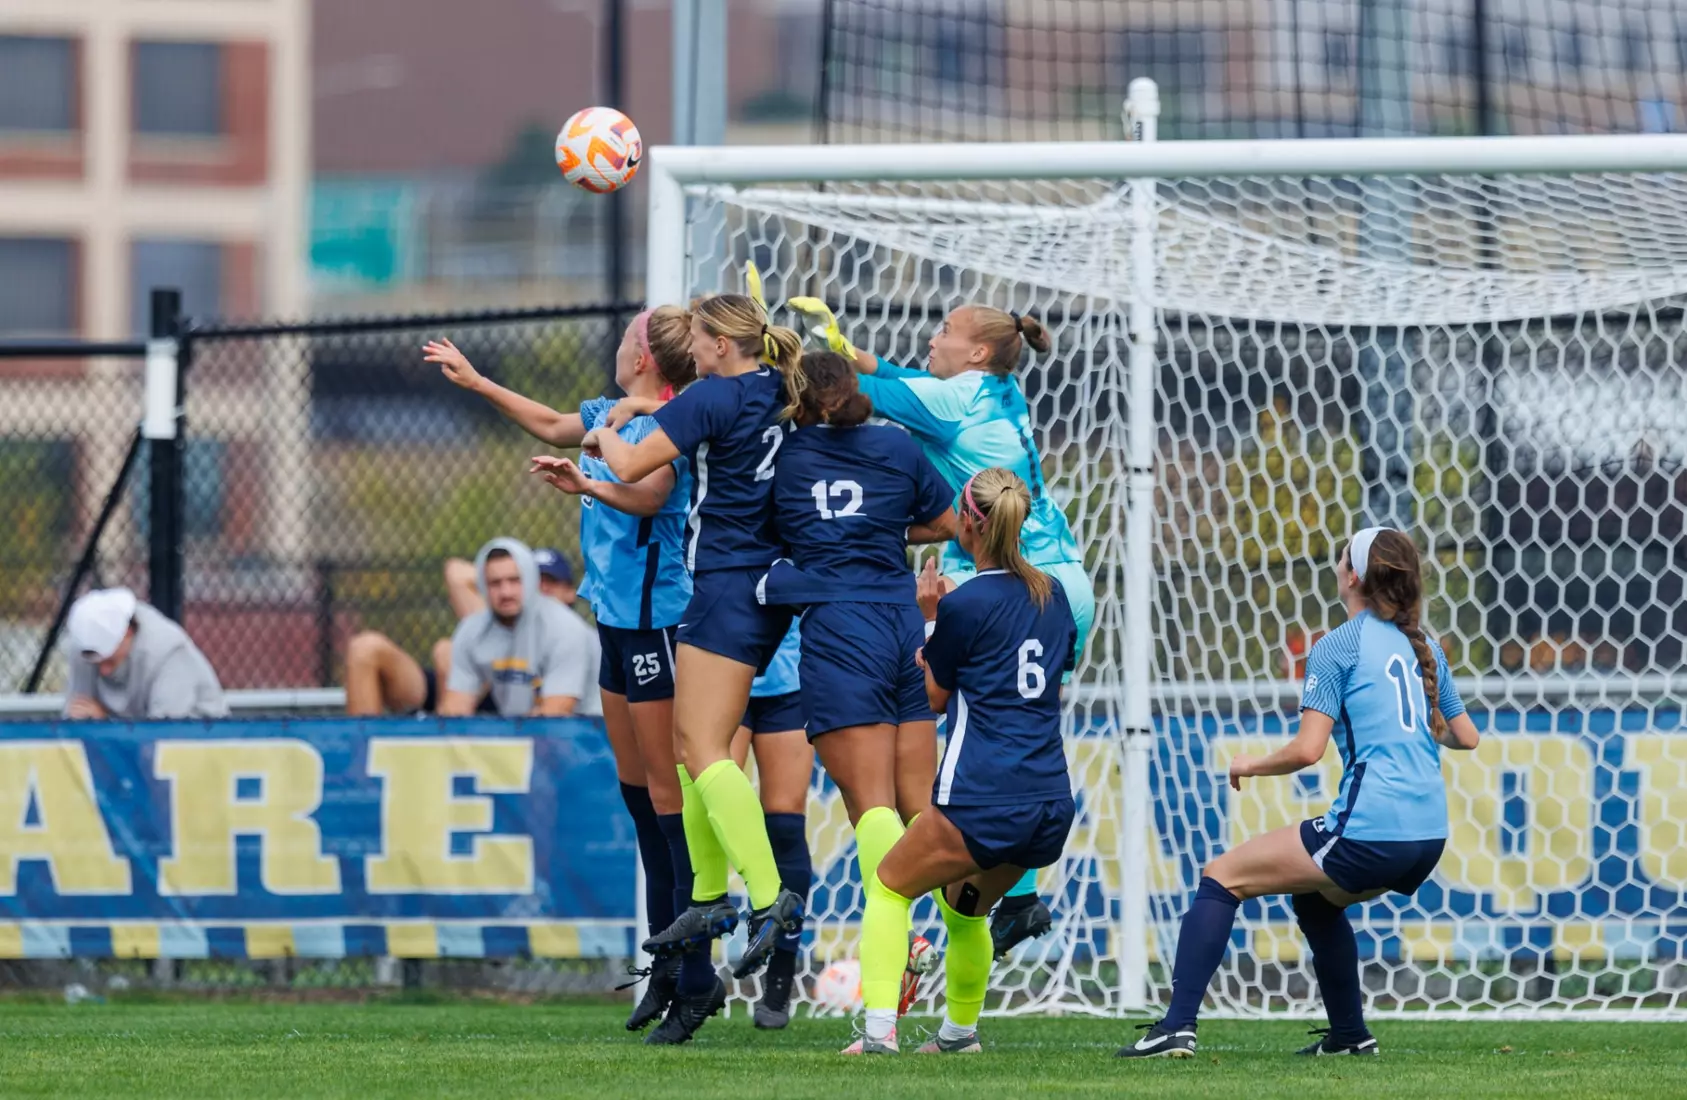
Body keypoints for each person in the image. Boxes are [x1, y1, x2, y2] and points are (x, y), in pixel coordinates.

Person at [434, 308, 710, 1044]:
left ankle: (695, 974)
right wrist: (478, 381)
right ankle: (665, 964)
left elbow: (650, 494)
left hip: (657, 621)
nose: (616, 345)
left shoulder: (669, 421)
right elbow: (555, 425)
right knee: (639, 800)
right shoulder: (608, 411)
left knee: (669, 802)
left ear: (644, 357)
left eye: (626, 337)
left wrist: (587, 484)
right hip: (614, 620)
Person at [788, 297, 1093, 958]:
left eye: (946, 330)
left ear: (976, 352)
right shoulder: (992, 390)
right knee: (1023, 722)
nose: (932, 338)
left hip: (1014, 583)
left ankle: (971, 881)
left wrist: (796, 356)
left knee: (968, 725)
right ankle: (1019, 896)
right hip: (1064, 582)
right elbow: (898, 377)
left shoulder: (951, 400)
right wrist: (850, 349)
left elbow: (854, 392)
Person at [1116, 527, 1481, 1060]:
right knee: (1315, 901)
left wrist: (1250, 764)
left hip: (1372, 829)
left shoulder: (1339, 645)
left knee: (1221, 877)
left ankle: (1176, 1027)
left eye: (1342, 556)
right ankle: (1350, 1037)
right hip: (1428, 837)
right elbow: (1466, 737)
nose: (1337, 563)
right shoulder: (1420, 644)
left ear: (1353, 576)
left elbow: (1308, 750)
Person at [582, 292, 808, 992]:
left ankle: (765, 896)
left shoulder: (711, 396)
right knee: (692, 754)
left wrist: (603, 437)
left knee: (701, 751)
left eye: (701, 336)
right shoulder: (780, 388)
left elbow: (629, 467)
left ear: (717, 346)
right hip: (772, 586)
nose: (694, 346)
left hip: (723, 586)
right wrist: (640, 407)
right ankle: (709, 898)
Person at [843, 468, 1076, 1055]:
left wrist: (930, 617)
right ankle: (957, 1036)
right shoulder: (1055, 596)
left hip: (982, 797)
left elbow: (933, 698)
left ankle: (878, 1036)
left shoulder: (963, 603)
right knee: (965, 909)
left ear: (970, 524)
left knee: (889, 888)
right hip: (1049, 803)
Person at [760, 351, 958, 1018]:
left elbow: (762, 530)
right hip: (903, 622)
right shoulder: (896, 448)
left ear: (800, 401)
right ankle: (962, 951)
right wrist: (881, 526)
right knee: (919, 810)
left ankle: (910, 941)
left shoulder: (787, 456)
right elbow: (947, 522)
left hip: (842, 629)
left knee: (870, 809)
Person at [344, 547, 588, 717]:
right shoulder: (496, 619)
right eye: (536, 581)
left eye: (551, 583)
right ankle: (361, 764)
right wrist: (497, 578)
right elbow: (455, 571)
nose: (541, 590)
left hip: (513, 712)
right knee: (366, 648)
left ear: (570, 592)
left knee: (446, 652)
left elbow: (556, 713)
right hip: (466, 689)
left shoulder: (574, 636)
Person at [727, 624, 814, 1030]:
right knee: (715, 811)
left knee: (785, 824)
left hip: (789, 676)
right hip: (723, 667)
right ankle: (690, 973)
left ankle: (779, 981)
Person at [61, 587, 228, 720]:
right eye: (96, 664)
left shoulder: (168, 651)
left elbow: (163, 738)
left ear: (127, 632)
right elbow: (75, 717)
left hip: (202, 741)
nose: (104, 671)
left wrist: (105, 724)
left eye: (110, 661)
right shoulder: (84, 645)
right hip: (129, 741)